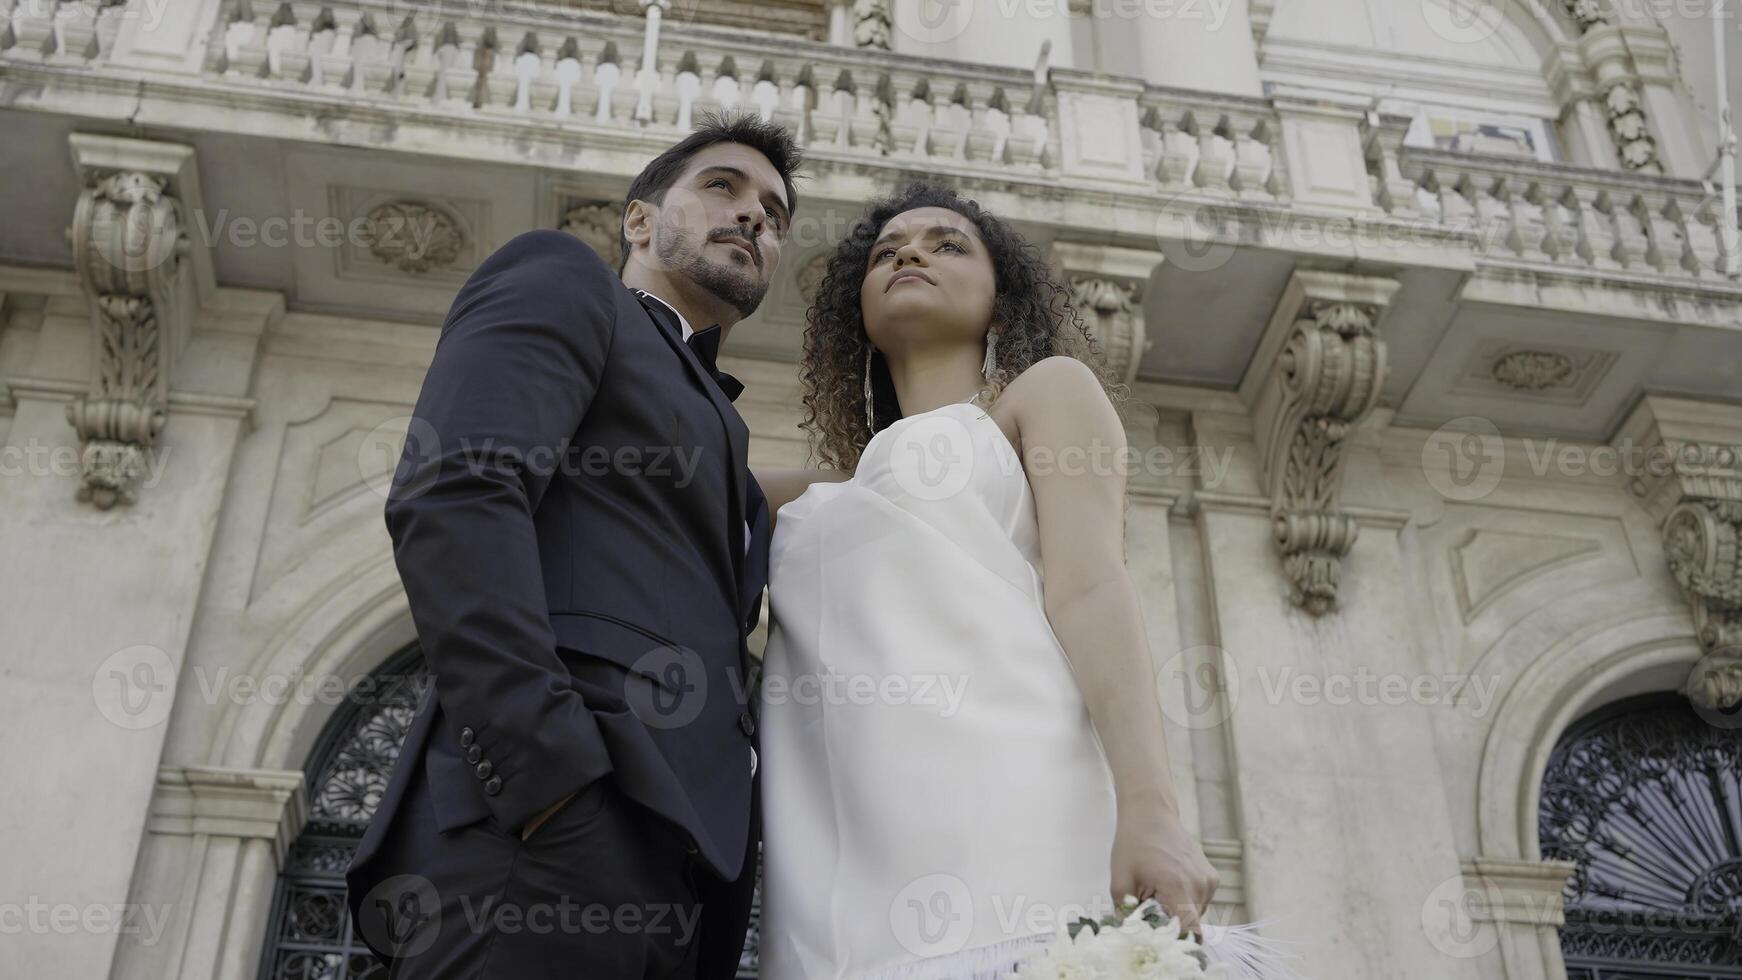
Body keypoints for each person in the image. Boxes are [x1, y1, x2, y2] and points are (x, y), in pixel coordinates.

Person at [344, 111, 802, 979]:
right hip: (547, 840)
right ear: (638, 220)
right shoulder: (564, 280)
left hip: (682, 890)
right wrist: (547, 778)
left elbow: (755, 503)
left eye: (775, 216)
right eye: (722, 188)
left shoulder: (720, 429)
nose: (755, 218)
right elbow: (457, 493)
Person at [754, 182, 1220, 979]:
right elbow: (665, 478)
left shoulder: (1045, 394)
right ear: (854, 317)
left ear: (1001, 301)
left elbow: (1092, 588)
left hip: (1016, 812)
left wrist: (1152, 808)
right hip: (840, 856)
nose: (910, 253)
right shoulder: (826, 495)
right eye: (885, 251)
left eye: (948, 244)